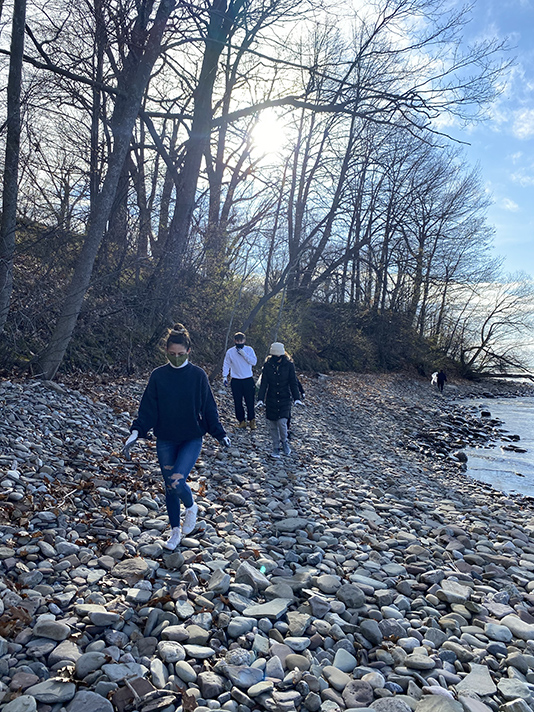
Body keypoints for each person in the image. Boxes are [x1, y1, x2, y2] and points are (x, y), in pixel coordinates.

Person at [123, 324, 231, 550]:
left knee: (177, 481)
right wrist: (136, 432)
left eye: (181, 354)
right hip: (166, 438)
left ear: (189, 351)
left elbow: (209, 408)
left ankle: (191, 507)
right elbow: (148, 410)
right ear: (165, 352)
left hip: (191, 437)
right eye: (172, 354)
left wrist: (219, 433)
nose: (176, 358)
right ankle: (174, 531)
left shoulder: (198, 375)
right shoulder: (158, 376)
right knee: (169, 486)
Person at [256, 342, 303, 458]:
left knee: (282, 423)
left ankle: (284, 442)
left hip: (285, 398)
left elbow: (293, 382)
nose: (277, 358)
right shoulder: (267, 365)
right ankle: (275, 447)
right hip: (271, 398)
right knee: (272, 425)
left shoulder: (289, 365)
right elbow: (264, 384)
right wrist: (260, 399)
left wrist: (297, 398)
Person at [222, 332, 258, 429]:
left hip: (248, 379)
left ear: (244, 341)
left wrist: (244, 354)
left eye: (241, 341)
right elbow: (226, 364)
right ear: (234, 341)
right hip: (236, 380)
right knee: (237, 402)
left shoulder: (249, 349)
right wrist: (225, 376)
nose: (239, 342)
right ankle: (241, 421)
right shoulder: (230, 352)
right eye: (237, 341)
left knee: (250, 401)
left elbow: (254, 362)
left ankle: (252, 420)